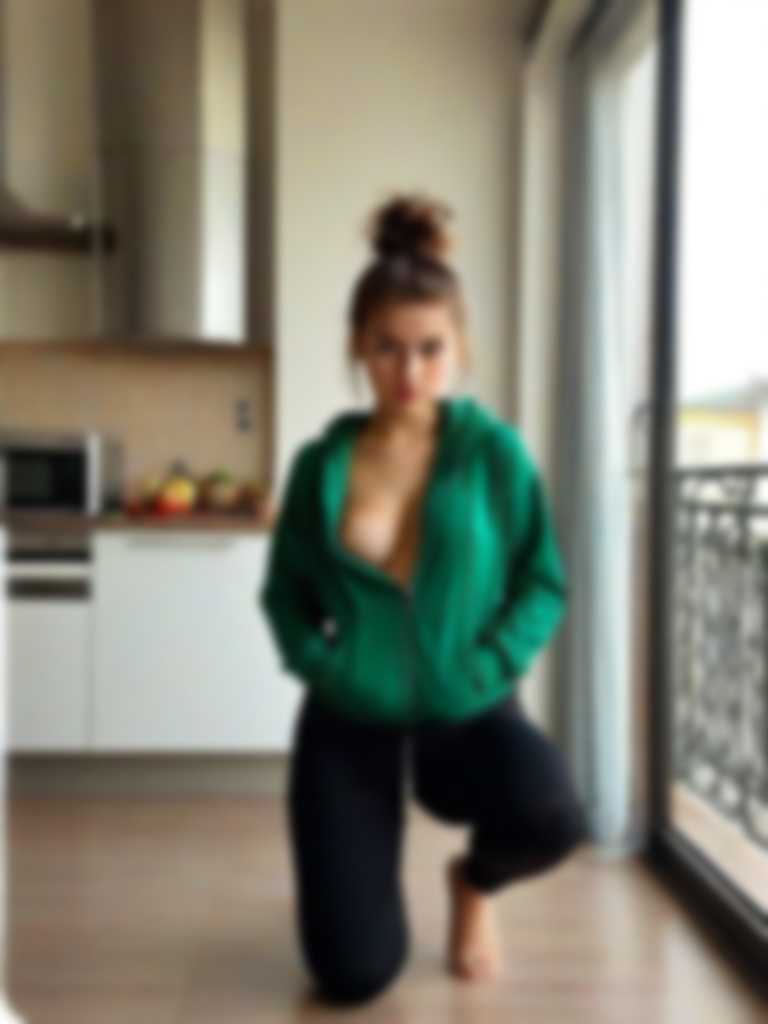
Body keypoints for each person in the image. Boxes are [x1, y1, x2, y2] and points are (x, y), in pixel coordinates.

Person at [259, 192, 589, 1006]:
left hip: (466, 706)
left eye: (430, 349)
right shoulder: (319, 467)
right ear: (358, 346)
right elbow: (285, 594)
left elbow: (542, 580)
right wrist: (325, 668)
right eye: (387, 348)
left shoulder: (494, 455)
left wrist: (490, 664)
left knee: (552, 813)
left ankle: (472, 885)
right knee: (353, 975)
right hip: (350, 713)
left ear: (459, 347)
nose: (409, 373)